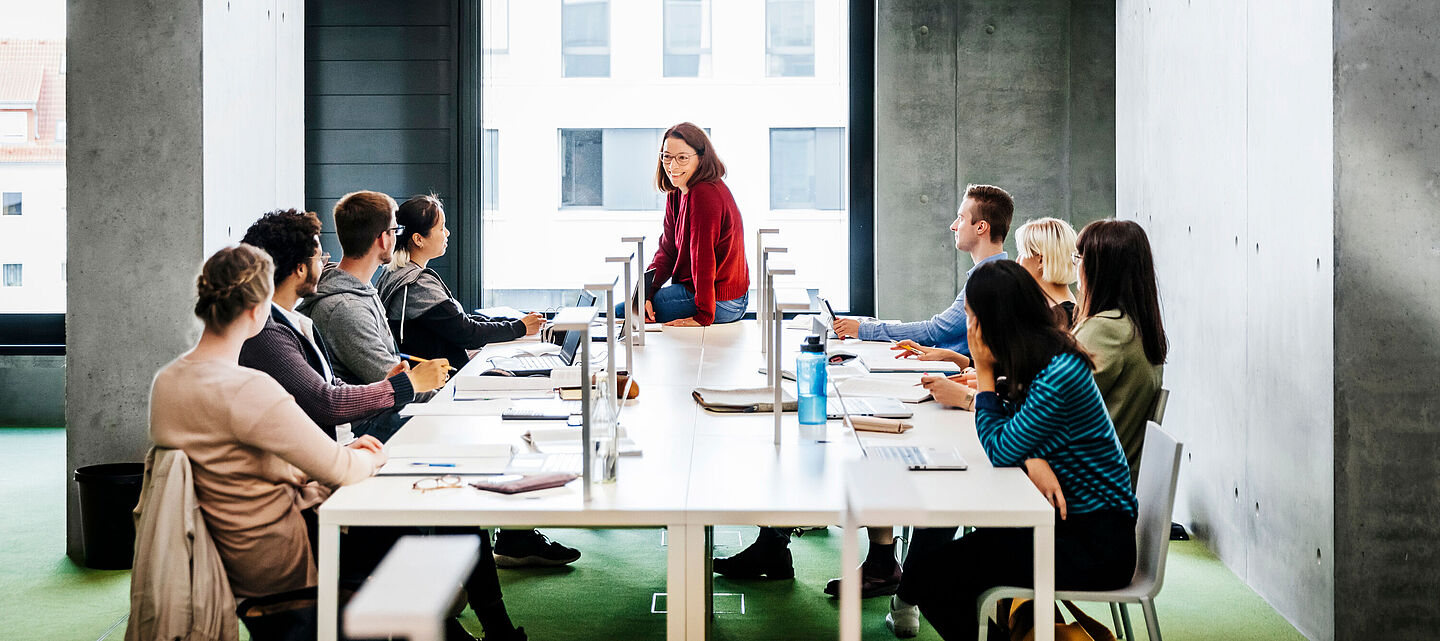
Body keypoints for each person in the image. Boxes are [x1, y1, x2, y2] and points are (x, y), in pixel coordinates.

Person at [888, 261, 1138, 640]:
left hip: (1095, 544)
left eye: (971, 319)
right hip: (1066, 523)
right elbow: (1018, 434)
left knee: (932, 579)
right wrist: (1032, 455)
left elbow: (1001, 448)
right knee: (936, 575)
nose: (970, 330)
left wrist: (985, 373)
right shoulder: (1044, 355)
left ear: (991, 321)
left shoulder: (1059, 371)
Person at [148, 245, 386, 636]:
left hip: (219, 553)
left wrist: (335, 454)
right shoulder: (249, 389)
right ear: (258, 310)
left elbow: (231, 460)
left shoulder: (167, 382)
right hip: (279, 559)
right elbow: (343, 470)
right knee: (413, 532)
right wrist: (374, 458)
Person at [238, 208, 451, 443]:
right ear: (300, 269)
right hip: (327, 452)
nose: (324, 265)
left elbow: (330, 385)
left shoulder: (292, 322)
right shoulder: (268, 334)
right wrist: (408, 383)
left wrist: (387, 384)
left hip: (338, 443)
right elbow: (327, 402)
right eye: (319, 259)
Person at [833, 184, 1014, 354]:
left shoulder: (989, 279)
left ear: (981, 227)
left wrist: (863, 329)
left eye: (961, 218)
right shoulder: (999, 274)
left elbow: (935, 331)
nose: (953, 226)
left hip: (953, 375)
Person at [376, 194, 544, 368]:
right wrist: (519, 328)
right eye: (441, 228)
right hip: (442, 383)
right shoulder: (417, 284)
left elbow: (458, 322)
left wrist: (516, 323)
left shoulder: (394, 273)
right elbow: (466, 333)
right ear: (418, 239)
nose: (447, 233)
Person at [1073, 219, 1167, 483]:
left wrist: (973, 398)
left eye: (1080, 257)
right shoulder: (1135, 327)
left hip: (1085, 492)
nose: (1076, 265)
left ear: (1101, 269)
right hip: (1107, 486)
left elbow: (1047, 409)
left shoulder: (1105, 330)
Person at [633, 122, 749, 326]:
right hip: (702, 293)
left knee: (623, 314)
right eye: (667, 157)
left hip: (721, 301)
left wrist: (703, 316)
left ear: (701, 159)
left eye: (682, 158)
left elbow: (703, 257)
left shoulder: (704, 194)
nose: (672, 166)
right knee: (633, 308)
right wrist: (646, 293)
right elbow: (667, 250)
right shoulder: (677, 191)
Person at [297, 190, 414, 386]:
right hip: (376, 415)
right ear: (383, 239)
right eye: (395, 230)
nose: (396, 237)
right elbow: (395, 383)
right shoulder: (346, 308)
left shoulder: (359, 287)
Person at [1014, 217, 1079, 327]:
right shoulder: (1070, 314)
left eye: (1022, 253)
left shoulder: (1058, 321)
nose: (1017, 260)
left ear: (1041, 260)